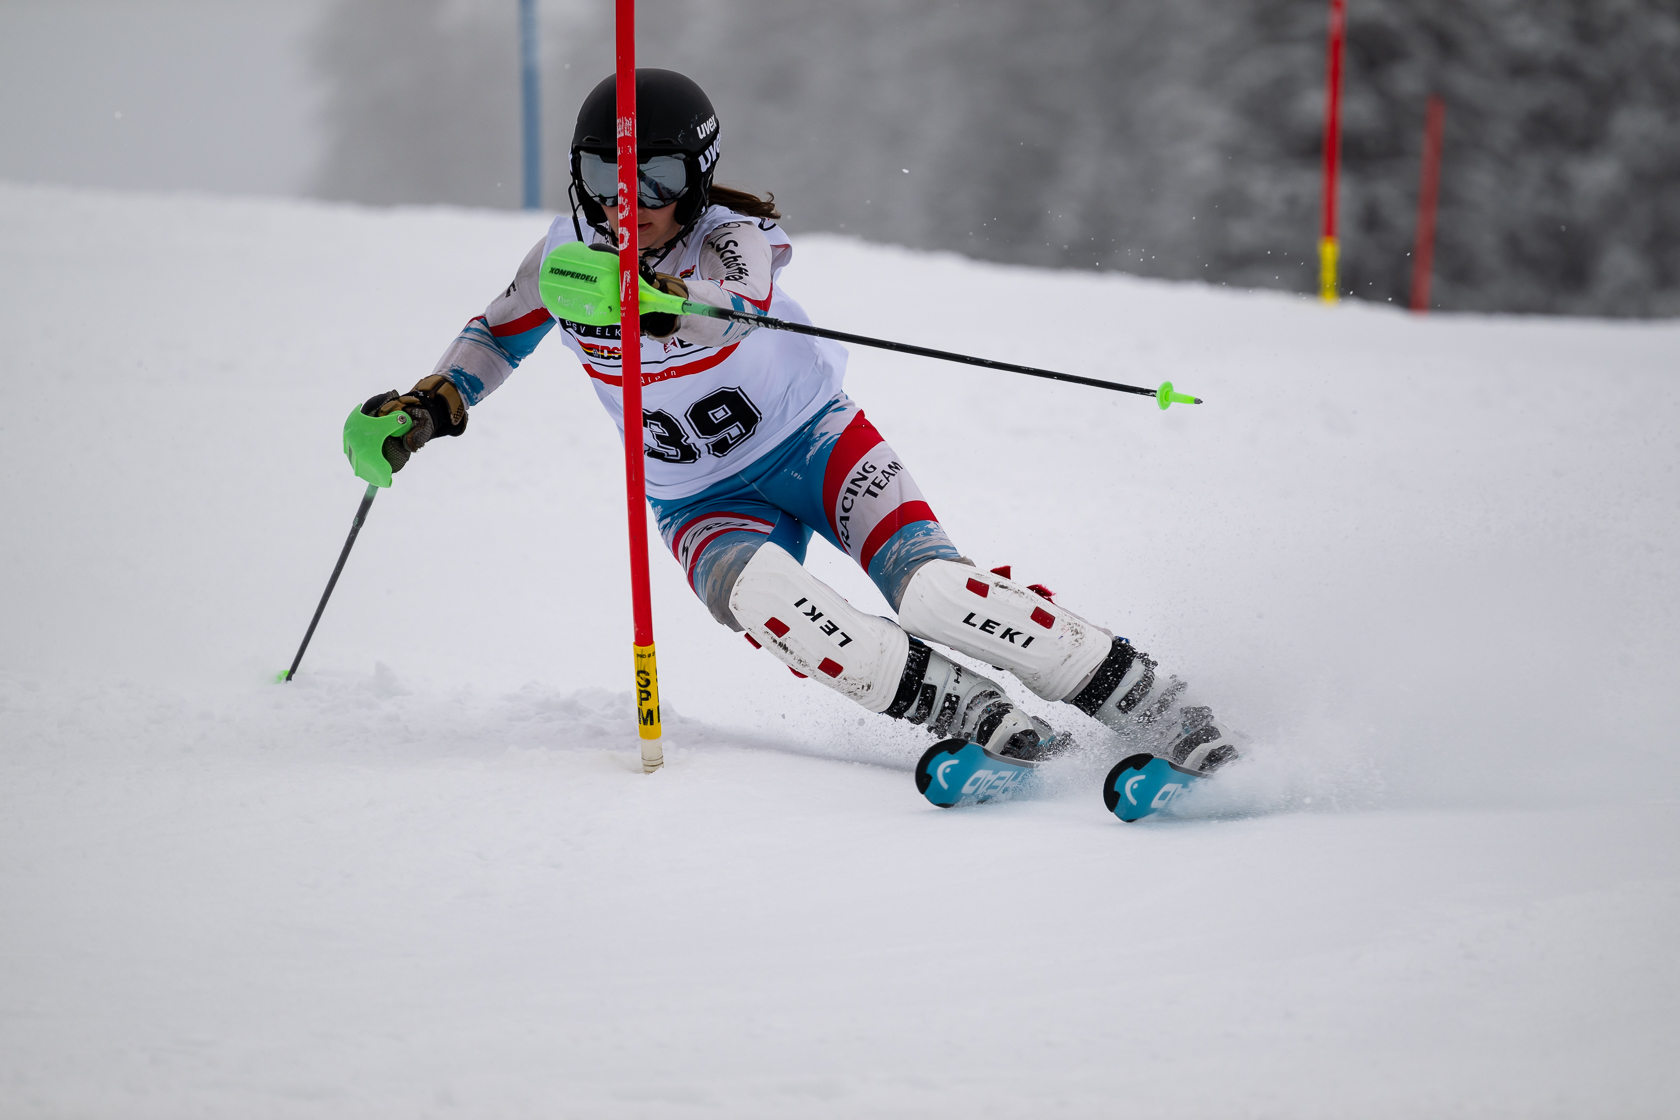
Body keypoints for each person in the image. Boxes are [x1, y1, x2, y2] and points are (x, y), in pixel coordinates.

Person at [358, 69, 1236, 773]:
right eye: (606, 175)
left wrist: (657, 298)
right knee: (767, 600)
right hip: (696, 499)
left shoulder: (731, 238)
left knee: (932, 590)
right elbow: (495, 336)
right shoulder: (562, 259)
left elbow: (738, 305)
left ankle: (1142, 695)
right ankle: (965, 710)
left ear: (697, 181)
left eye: (658, 178)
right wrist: (432, 406)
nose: (632, 202)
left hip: (818, 447)